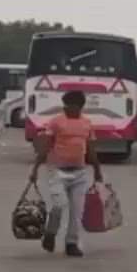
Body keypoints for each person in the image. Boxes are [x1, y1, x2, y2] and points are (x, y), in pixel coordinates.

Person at [29, 90, 104, 258]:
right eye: (66, 105)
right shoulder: (56, 122)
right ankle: (50, 233)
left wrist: (97, 170)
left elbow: (91, 149)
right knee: (59, 205)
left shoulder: (87, 124)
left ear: (80, 106)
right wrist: (34, 170)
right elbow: (45, 147)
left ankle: (71, 243)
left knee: (77, 211)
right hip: (57, 171)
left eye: (71, 106)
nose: (68, 108)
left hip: (79, 172)